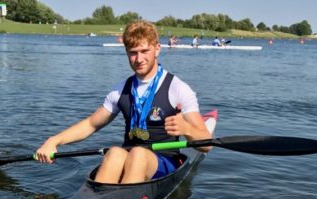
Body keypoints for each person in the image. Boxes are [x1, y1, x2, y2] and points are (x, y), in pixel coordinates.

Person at [36, 20, 212, 184]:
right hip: (129, 157)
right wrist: (53, 141)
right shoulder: (120, 90)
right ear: (127, 52)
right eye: (133, 53)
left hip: (165, 160)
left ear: (157, 49)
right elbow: (90, 124)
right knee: (114, 153)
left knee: (138, 155)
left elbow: (206, 145)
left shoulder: (178, 88)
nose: (139, 59)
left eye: (144, 51)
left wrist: (187, 129)